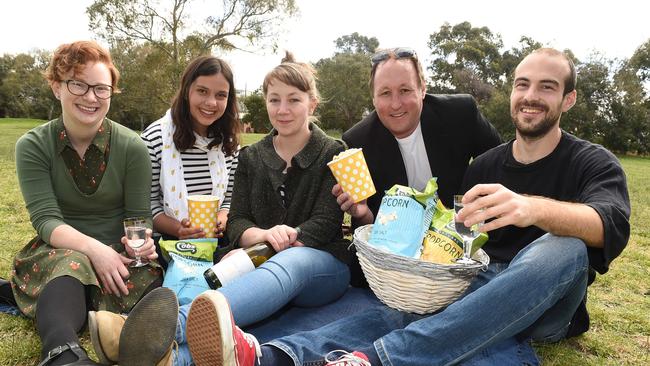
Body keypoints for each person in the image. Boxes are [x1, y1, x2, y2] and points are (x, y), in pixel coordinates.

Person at [170, 47, 631, 366]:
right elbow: (455, 236)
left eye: (546, 88)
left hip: (547, 303)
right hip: (477, 282)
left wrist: (531, 208)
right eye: (522, 84)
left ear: (567, 99)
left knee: (564, 247)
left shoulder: (591, 160)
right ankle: (272, 356)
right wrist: (371, 218)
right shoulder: (485, 164)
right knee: (406, 306)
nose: (531, 96)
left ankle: (382, 358)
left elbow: (610, 223)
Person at [89, 52, 353, 366]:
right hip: (256, 263)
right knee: (216, 284)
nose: (282, 110)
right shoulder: (252, 156)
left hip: (320, 268)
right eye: (274, 100)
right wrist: (263, 236)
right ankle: (171, 359)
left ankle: (157, 327)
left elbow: (325, 222)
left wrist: (274, 242)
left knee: (291, 259)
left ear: (312, 104)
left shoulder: (334, 152)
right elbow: (238, 219)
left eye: (293, 100)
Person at [8, 41, 164, 365]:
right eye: (78, 84)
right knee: (71, 268)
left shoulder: (133, 147)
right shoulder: (32, 146)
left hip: (116, 250)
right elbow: (46, 221)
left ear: (111, 93)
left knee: (147, 281)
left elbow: (139, 217)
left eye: (101, 89)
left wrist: (141, 244)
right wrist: (95, 251)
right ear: (56, 87)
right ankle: (61, 353)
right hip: (60, 249)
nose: (91, 97)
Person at [331, 47, 501, 286]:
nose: (395, 104)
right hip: (398, 262)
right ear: (373, 99)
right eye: (385, 93)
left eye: (405, 90)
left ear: (422, 89)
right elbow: (374, 229)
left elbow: (501, 165)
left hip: (460, 246)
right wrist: (362, 213)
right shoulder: (358, 142)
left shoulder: (460, 114)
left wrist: (478, 208)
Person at [140, 56, 240, 251]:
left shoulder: (228, 143)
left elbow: (230, 198)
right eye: (202, 91)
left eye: (221, 95)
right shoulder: (154, 139)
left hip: (217, 244)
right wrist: (179, 229)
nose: (211, 102)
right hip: (167, 245)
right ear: (187, 91)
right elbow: (147, 205)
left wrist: (221, 218)